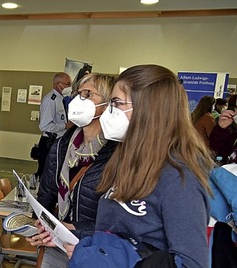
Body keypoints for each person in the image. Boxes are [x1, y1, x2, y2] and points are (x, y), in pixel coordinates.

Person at [68, 64, 214, 267]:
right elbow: (118, 231)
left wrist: (108, 259)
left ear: (148, 109)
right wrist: (72, 233)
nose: (109, 112)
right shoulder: (129, 159)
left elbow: (191, 263)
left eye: (117, 103)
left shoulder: (179, 178)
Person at [27, 73, 116, 267]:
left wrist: (75, 230)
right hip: (56, 243)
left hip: (94, 249)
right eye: (78, 93)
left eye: (88, 94)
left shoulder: (116, 154)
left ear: (108, 104)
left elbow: (114, 220)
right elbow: (47, 192)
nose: (78, 100)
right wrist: (40, 225)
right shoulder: (61, 145)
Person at [36, 73, 74, 178]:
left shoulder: (62, 99)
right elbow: (44, 126)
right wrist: (65, 126)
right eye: (68, 84)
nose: (70, 87)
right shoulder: (50, 100)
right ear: (58, 84)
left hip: (59, 142)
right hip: (50, 142)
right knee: (45, 174)